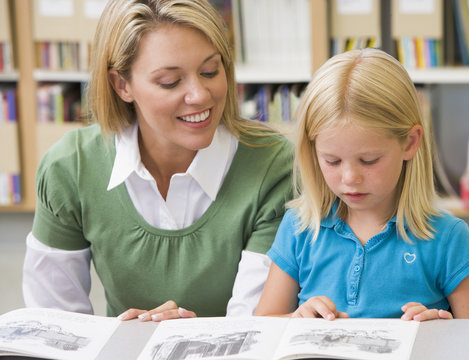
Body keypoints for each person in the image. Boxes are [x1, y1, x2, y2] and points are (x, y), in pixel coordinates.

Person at [22, 0, 293, 320]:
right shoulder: (69, 167)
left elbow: (256, 325)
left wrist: (191, 338)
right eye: (170, 81)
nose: (200, 95)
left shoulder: (274, 165)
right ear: (122, 85)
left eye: (210, 71)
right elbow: (55, 324)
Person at [254, 48, 469, 321]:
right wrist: (296, 319)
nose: (350, 178)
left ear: (410, 142)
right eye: (332, 161)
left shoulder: (447, 238)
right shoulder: (299, 228)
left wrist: (444, 330)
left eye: (369, 160)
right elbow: (264, 327)